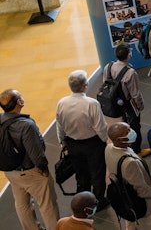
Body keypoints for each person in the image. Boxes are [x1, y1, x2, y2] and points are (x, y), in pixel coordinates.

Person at [0, 88, 59, 230]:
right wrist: (43, 169)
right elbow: (36, 153)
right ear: (19, 102)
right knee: (47, 206)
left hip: (10, 171)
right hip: (31, 172)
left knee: (22, 204)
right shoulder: (26, 125)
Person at [56, 70, 108, 207]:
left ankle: (83, 201)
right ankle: (98, 201)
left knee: (81, 174)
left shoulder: (61, 103)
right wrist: (105, 141)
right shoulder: (92, 104)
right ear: (85, 85)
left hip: (73, 144)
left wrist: (63, 142)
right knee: (97, 173)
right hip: (93, 144)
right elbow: (100, 127)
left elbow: (60, 126)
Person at [105, 122, 151, 230]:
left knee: (131, 224)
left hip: (125, 198)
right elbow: (141, 189)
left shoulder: (109, 148)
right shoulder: (130, 163)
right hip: (141, 206)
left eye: (129, 128)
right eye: (127, 132)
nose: (131, 132)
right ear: (119, 140)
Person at [103, 44, 149, 157]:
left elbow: (105, 83)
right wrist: (140, 106)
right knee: (135, 125)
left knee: (123, 120)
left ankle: (125, 143)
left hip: (114, 100)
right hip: (128, 103)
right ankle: (137, 150)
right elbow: (135, 93)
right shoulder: (130, 72)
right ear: (129, 55)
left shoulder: (107, 67)